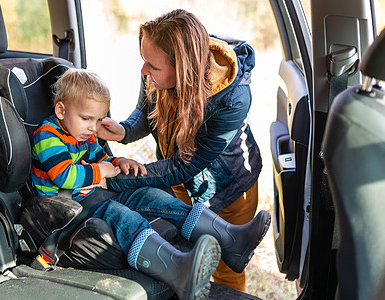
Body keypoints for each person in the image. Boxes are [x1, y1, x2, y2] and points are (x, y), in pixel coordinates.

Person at [30, 68, 268, 300]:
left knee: (152, 195)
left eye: (99, 120)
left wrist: (118, 161)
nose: (94, 128)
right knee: (123, 216)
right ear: (61, 110)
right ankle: (178, 271)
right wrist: (101, 170)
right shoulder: (47, 136)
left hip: (95, 193)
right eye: (86, 119)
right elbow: (63, 176)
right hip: (68, 205)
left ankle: (231, 240)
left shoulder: (82, 134)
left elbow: (98, 158)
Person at [97, 9, 266, 292]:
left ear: (183, 68)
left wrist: (110, 177)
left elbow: (185, 164)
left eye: (152, 66)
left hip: (230, 188)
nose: (143, 71)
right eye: (143, 61)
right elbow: (145, 113)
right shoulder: (156, 70)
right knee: (191, 256)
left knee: (227, 271)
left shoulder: (234, 97)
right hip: (179, 180)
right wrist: (124, 131)